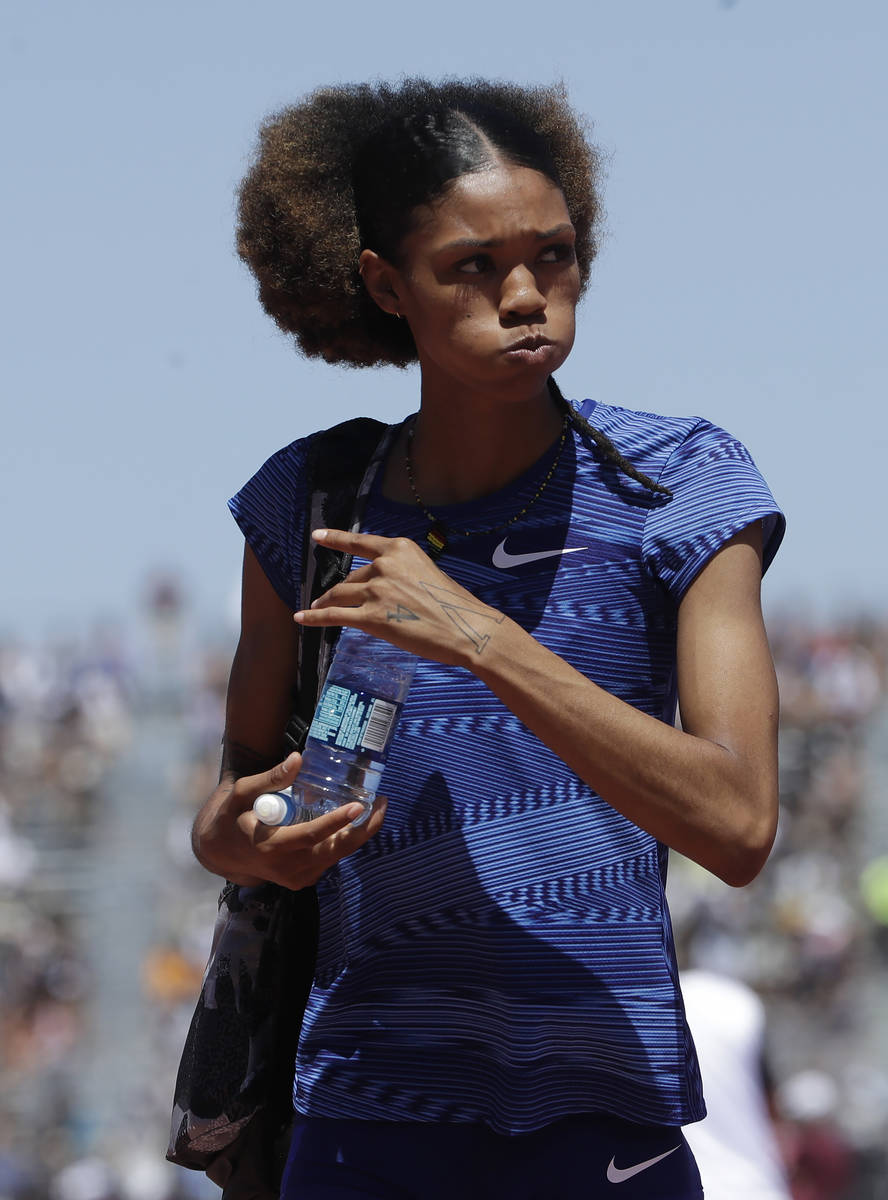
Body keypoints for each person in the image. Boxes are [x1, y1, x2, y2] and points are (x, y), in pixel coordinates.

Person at [191, 79, 785, 1199]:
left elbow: (739, 823)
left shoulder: (682, 488)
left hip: (608, 1122)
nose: (526, 296)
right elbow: (242, 800)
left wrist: (481, 637)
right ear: (384, 285)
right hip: (366, 1122)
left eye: (553, 258)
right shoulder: (306, 504)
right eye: (473, 265)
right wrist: (232, 838)